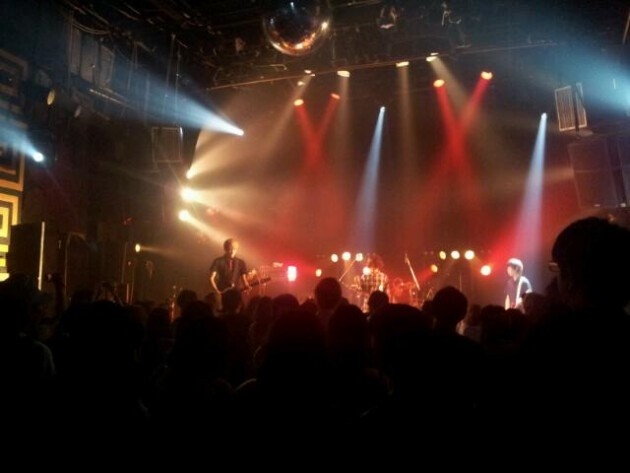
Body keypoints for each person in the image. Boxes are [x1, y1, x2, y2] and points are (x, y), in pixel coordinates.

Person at [209, 239, 250, 308]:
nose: (232, 252)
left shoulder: (241, 262)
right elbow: (211, 278)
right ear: (225, 249)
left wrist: (247, 286)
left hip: (236, 293)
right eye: (230, 249)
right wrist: (216, 291)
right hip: (222, 292)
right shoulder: (218, 261)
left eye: (234, 249)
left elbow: (244, 279)